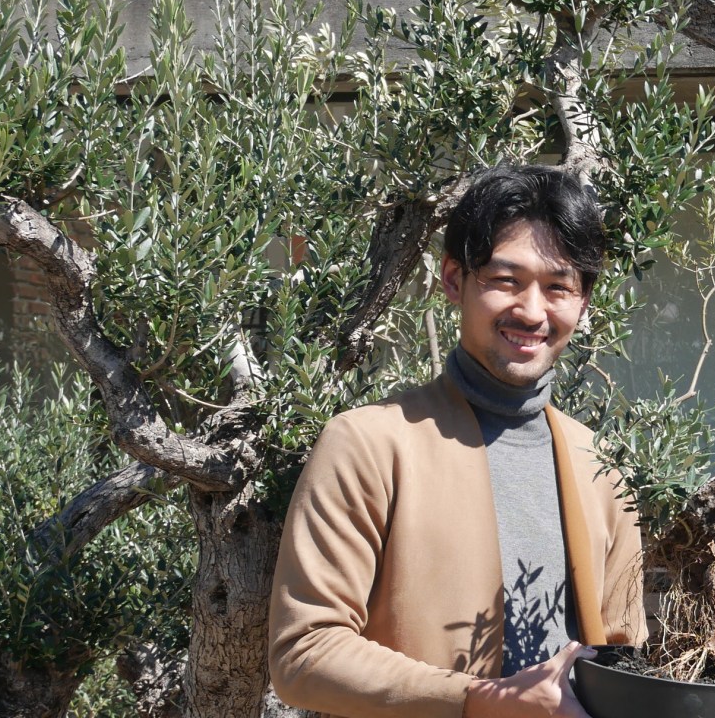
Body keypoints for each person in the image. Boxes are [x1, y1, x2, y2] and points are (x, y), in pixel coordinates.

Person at [268, 165, 645, 718]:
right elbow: (304, 653)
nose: (532, 311)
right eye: (506, 280)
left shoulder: (602, 466)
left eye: (559, 287)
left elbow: (626, 656)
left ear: (583, 301)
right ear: (453, 280)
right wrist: (479, 700)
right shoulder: (368, 444)